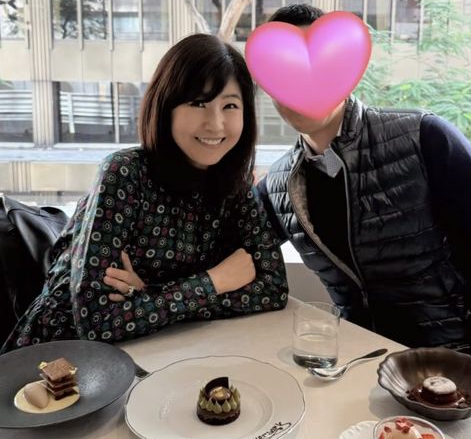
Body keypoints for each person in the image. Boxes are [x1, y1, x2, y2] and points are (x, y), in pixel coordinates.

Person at [257, 4, 471, 394]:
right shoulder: (280, 184)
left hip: (457, 369)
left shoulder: (425, 138)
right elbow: (226, 245)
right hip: (361, 372)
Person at [1, 35, 288, 353]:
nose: (216, 123)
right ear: (166, 107)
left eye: (230, 105)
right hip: (58, 355)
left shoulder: (236, 185)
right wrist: (215, 281)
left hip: (160, 349)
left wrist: (150, 296)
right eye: (198, 103)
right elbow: (96, 322)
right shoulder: (124, 173)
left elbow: (273, 289)